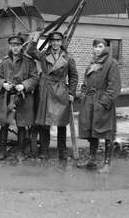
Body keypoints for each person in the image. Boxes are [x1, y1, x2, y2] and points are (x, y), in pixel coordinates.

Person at [27, 31, 78, 160]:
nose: (55, 43)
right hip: (46, 90)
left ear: (61, 42)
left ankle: (63, 151)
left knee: (61, 122)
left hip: (61, 91)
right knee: (45, 122)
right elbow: (31, 52)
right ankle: (44, 150)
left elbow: (74, 76)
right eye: (53, 41)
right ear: (50, 42)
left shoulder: (68, 58)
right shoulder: (44, 55)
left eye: (58, 41)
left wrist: (71, 93)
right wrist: (35, 39)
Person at [77, 38, 121, 173]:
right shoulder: (92, 63)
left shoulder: (111, 63)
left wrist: (104, 102)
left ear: (105, 47)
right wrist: (83, 95)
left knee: (107, 132)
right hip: (90, 101)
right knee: (92, 131)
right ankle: (92, 160)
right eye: (95, 47)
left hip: (102, 102)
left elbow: (114, 87)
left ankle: (107, 164)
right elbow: (85, 83)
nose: (97, 49)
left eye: (100, 46)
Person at [0, 35, 39, 160]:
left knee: (21, 124)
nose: (15, 48)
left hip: (23, 97)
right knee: (4, 124)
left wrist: (24, 85)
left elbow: (35, 78)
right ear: (10, 46)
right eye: (13, 45)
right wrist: (3, 84)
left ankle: (20, 152)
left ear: (21, 46)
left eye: (17, 45)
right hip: (7, 97)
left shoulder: (29, 62)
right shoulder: (5, 62)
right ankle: (2, 151)